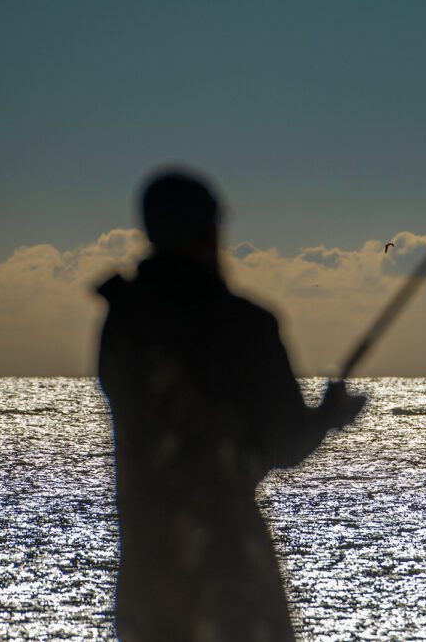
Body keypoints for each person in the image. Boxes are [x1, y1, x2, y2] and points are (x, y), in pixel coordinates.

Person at [96, 168, 365, 641]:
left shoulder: (122, 326)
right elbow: (285, 443)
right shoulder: (246, 324)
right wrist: (328, 416)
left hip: (146, 576)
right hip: (228, 578)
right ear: (211, 231)